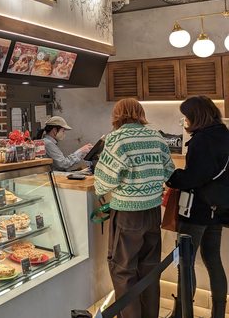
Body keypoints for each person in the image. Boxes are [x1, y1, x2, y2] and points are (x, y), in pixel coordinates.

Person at [94, 98, 174, 318]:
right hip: (153, 212)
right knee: (150, 269)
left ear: (117, 115)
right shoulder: (156, 136)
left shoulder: (116, 138)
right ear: (140, 113)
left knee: (123, 271)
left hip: (127, 213)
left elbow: (104, 182)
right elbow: (169, 171)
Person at [166, 96, 229, 318]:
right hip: (218, 208)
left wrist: (173, 177)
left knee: (186, 262)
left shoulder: (201, 140)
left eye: (186, 116)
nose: (185, 120)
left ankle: (182, 313)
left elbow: (195, 177)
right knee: (213, 259)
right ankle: (218, 313)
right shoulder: (224, 135)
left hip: (196, 209)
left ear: (195, 116)